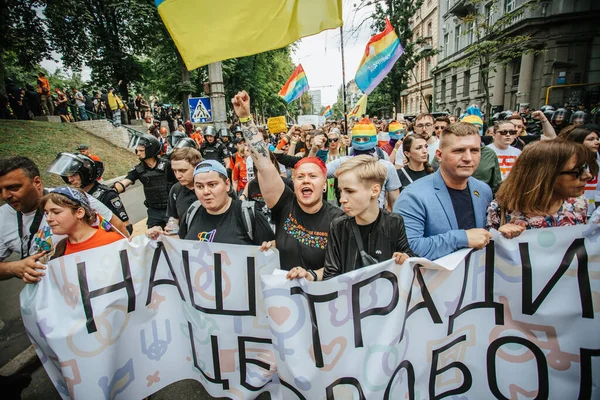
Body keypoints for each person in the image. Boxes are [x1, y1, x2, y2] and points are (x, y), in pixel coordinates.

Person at [231, 90, 344, 274]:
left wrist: (311, 276)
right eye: (300, 177)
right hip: (283, 298)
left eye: (312, 176)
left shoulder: (338, 220)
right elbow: (264, 163)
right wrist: (245, 119)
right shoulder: (285, 204)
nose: (306, 180)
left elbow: (344, 266)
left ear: (324, 185)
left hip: (321, 299)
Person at [0, 157, 127, 283]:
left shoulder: (70, 198)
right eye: (0, 190)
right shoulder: (2, 217)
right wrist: (13, 268)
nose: (5, 196)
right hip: (49, 294)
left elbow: (118, 229)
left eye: (14, 187)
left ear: (37, 182)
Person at [288, 156, 416, 281]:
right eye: (341, 191)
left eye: (350, 191)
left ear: (375, 190)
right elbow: (331, 274)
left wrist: (404, 258)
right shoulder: (338, 226)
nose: (342, 199)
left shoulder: (394, 222)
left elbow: (410, 259)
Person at [394, 122, 493, 260]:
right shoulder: (413, 197)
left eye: (474, 150)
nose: (468, 158)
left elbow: (485, 235)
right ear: (439, 155)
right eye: (458, 151)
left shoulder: (483, 190)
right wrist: (461, 238)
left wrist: (503, 234)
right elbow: (408, 248)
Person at [486, 140, 592, 237]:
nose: (588, 176)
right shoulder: (501, 209)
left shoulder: (579, 205)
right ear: (545, 175)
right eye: (577, 170)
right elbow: (488, 254)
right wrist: (499, 237)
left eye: (584, 168)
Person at [177, 160, 274, 244]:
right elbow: (182, 246)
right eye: (200, 186)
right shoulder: (192, 213)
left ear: (227, 184)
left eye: (212, 185)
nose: (206, 192)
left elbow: (270, 255)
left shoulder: (248, 215)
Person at [47, 152, 131, 233]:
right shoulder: (74, 197)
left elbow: (126, 226)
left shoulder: (107, 195)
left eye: (74, 175)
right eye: (67, 176)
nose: (70, 180)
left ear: (86, 173)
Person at [328, 118, 401, 210]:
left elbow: (395, 201)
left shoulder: (386, 165)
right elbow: (318, 171)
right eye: (358, 139)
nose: (361, 142)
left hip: (377, 219)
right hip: (348, 219)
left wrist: (392, 221)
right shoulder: (343, 162)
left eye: (365, 139)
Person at [42, 187, 124, 259]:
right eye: (46, 213)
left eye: (56, 212)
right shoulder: (60, 249)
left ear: (79, 213)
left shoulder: (113, 241)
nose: (48, 219)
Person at [112, 134, 175, 228]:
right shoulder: (139, 169)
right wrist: (113, 191)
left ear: (151, 150)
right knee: (153, 238)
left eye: (141, 151)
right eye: (137, 150)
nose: (138, 153)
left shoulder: (168, 165)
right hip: (154, 211)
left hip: (171, 209)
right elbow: (126, 181)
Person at [147, 148, 202, 239]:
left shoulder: (211, 189)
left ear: (197, 167)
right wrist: (170, 229)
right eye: (175, 171)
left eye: (183, 170)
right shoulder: (176, 189)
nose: (178, 176)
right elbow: (174, 217)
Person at [558, 126, 599, 216]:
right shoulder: (563, 162)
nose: (597, 142)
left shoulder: (596, 164)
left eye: (597, 139)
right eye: (591, 139)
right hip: (566, 212)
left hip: (589, 213)